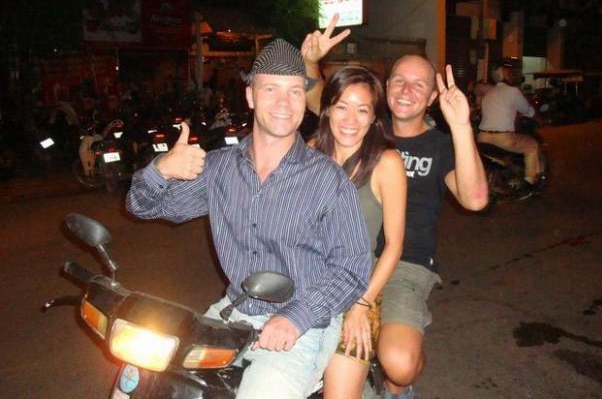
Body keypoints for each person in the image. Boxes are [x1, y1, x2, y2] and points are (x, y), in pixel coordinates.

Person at [126, 38, 372, 398]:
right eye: (271, 89)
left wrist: (295, 317)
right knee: (144, 382)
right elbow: (143, 206)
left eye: (294, 91)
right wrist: (159, 170)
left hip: (302, 326)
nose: (284, 103)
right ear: (250, 96)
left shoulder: (328, 180)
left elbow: (352, 267)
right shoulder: (220, 168)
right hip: (234, 310)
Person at [304, 32, 488, 397]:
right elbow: (321, 99)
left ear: (433, 97)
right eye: (399, 81)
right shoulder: (365, 125)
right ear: (386, 88)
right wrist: (310, 61)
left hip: (407, 262)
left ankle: (399, 377)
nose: (406, 90)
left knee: (400, 367)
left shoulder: (440, 145)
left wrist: (462, 126)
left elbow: (476, 199)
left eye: (419, 85)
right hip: (351, 257)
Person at [311, 66, 407, 398]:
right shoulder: (310, 153)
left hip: (358, 291)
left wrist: (361, 306)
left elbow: (394, 246)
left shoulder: (387, 163)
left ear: (373, 118)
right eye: (342, 106)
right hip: (307, 288)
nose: (350, 119)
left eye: (362, 109)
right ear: (327, 110)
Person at [478, 65, 543, 196]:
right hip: (503, 139)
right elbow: (527, 110)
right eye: (509, 73)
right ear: (506, 75)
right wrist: (535, 115)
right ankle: (530, 183)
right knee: (532, 146)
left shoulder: (488, 94)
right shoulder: (512, 91)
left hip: (482, 138)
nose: (512, 75)